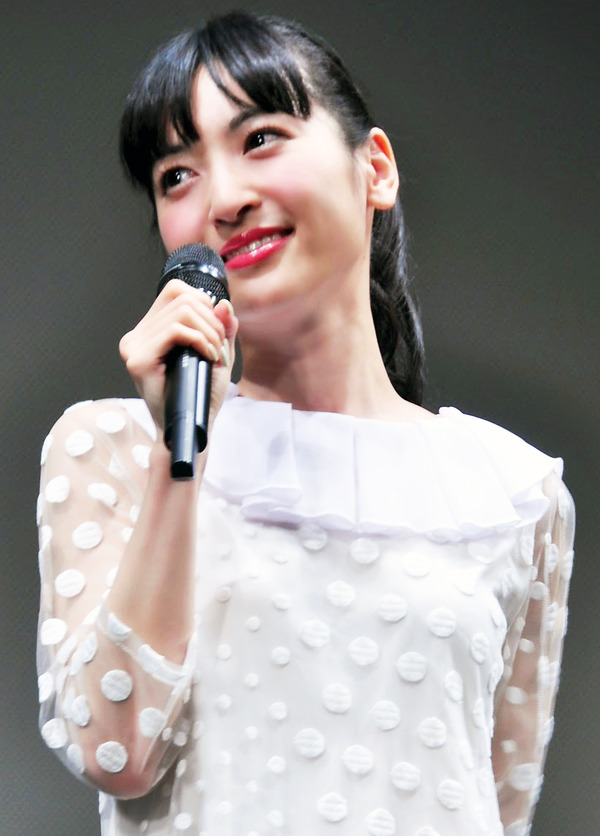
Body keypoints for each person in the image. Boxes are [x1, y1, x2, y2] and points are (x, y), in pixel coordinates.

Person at [36, 11, 575, 836]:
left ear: (376, 169)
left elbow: (499, 805)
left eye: (260, 139)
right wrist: (183, 455)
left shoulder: (513, 492)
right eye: (176, 176)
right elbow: (114, 750)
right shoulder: (111, 448)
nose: (224, 200)